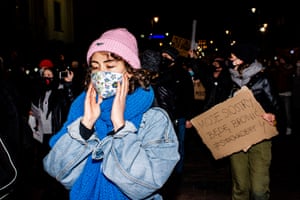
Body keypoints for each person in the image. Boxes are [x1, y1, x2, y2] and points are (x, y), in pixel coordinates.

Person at [47, 27, 180, 200]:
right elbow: (58, 171)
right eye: (95, 67)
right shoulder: (81, 108)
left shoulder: (153, 118)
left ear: (130, 70)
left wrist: (120, 128)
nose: (101, 73)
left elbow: (145, 184)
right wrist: (85, 127)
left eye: (110, 66)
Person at [228, 43, 280, 200]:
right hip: (236, 138)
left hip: (259, 138)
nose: (231, 60)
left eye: (234, 57)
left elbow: (276, 107)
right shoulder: (229, 78)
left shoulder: (263, 79)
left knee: (258, 190)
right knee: (240, 188)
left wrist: (272, 115)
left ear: (245, 58)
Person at [28, 58, 74, 199]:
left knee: (57, 164)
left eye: (49, 75)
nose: (47, 78)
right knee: (45, 165)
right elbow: (36, 112)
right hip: (42, 135)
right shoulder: (40, 93)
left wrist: (68, 85)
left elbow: (70, 102)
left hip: (56, 135)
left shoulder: (60, 92)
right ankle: (48, 190)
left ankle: (58, 191)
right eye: (45, 75)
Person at [155, 46, 195, 175]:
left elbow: (189, 96)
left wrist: (189, 117)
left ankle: (177, 172)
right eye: (163, 56)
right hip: (161, 116)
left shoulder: (182, 74)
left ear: (173, 58)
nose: (164, 58)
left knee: (177, 146)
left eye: (167, 56)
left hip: (179, 116)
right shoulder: (159, 72)